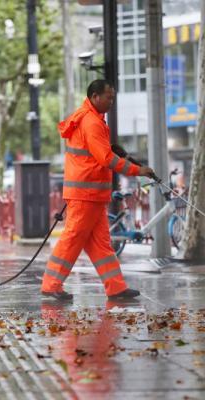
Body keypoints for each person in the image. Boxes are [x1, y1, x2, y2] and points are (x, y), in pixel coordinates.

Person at [41, 80, 154, 301]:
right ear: (95, 97)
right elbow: (106, 159)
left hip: (91, 195)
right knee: (72, 239)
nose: (111, 101)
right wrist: (138, 170)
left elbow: (100, 152)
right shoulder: (91, 122)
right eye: (108, 97)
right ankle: (51, 284)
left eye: (112, 97)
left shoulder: (91, 120)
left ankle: (116, 287)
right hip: (86, 196)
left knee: (101, 244)